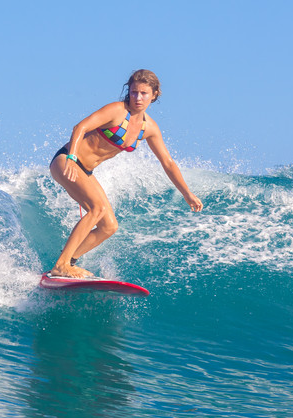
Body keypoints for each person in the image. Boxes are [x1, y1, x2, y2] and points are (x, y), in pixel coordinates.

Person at [49, 69, 203, 278]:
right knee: (97, 208)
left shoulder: (150, 128)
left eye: (143, 94)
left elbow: (167, 162)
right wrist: (72, 157)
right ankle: (62, 264)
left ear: (154, 94)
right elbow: (81, 127)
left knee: (109, 226)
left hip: (86, 171)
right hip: (66, 160)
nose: (137, 98)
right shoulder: (117, 111)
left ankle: (68, 263)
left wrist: (186, 193)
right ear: (128, 92)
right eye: (133, 92)